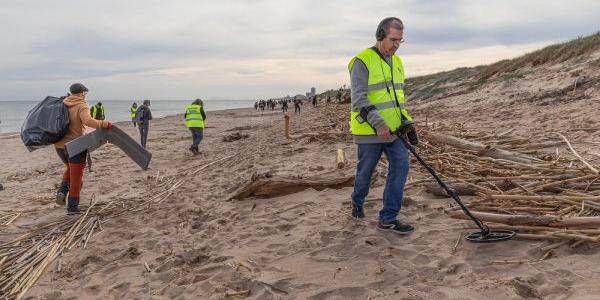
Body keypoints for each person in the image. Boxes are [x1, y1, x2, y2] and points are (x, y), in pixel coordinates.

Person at [348, 17, 418, 234]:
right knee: (365, 174)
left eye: (400, 41)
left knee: (401, 168)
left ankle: (388, 218)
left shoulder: (397, 62)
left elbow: (398, 99)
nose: (396, 45)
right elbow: (359, 100)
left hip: (395, 131)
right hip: (370, 131)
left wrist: (408, 122)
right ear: (380, 35)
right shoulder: (362, 61)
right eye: (393, 39)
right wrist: (379, 124)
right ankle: (357, 201)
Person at [55, 83, 113, 215]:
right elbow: (88, 121)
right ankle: (72, 208)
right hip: (75, 146)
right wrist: (104, 123)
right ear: (81, 93)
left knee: (69, 169)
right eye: (85, 93)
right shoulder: (81, 104)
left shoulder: (62, 103)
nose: (85, 95)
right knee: (77, 177)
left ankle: (62, 191)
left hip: (59, 146)